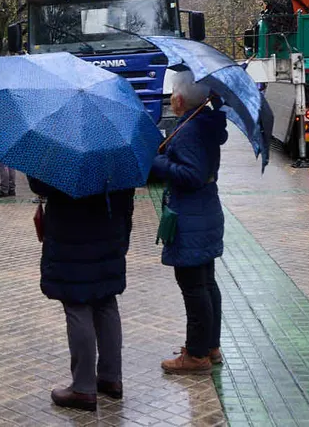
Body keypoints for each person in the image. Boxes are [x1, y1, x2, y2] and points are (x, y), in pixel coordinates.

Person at [29, 175, 135, 412]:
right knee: (106, 302)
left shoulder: (62, 146)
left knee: (77, 304)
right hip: (109, 229)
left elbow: (41, 185)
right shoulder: (117, 146)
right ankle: (111, 377)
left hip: (72, 234)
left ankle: (83, 388)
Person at [151, 73, 228, 375]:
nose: (170, 96)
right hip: (206, 212)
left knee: (194, 287)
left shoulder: (190, 130)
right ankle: (210, 346)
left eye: (172, 92)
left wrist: (157, 163)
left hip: (191, 217)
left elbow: (192, 175)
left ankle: (196, 355)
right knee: (206, 283)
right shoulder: (204, 125)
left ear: (180, 100)